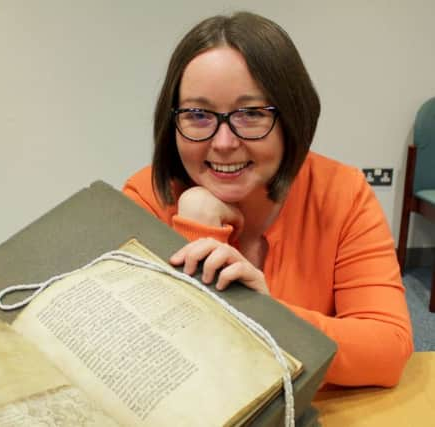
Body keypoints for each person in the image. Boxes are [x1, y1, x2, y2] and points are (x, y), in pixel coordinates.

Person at [123, 11, 412, 387]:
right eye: (197, 114)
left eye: (252, 114)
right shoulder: (146, 196)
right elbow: (145, 361)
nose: (223, 143)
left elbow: (387, 352)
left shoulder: (342, 193)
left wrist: (267, 316)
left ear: (292, 118)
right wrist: (197, 222)